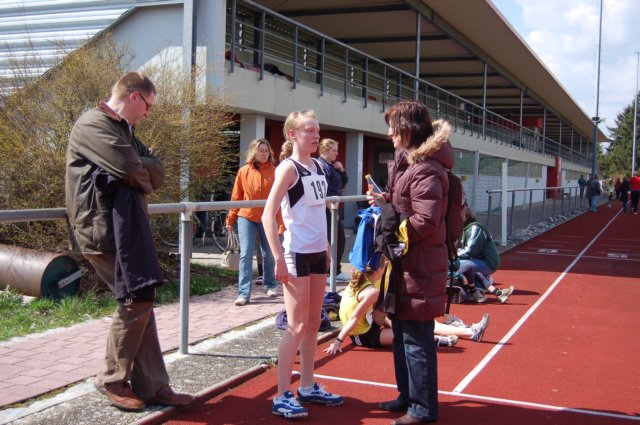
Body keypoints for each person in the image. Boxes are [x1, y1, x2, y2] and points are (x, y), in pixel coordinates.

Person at [65, 72, 193, 411]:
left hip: (125, 231)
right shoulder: (93, 124)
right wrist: (134, 169)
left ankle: (152, 385)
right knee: (137, 299)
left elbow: (157, 172)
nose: (148, 114)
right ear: (134, 96)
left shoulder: (123, 130)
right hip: (101, 231)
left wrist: (136, 168)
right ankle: (112, 378)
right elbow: (128, 166)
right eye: (148, 106)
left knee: (142, 300)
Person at [367, 100, 452, 425]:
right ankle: (408, 397)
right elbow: (409, 204)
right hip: (405, 264)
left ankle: (423, 409)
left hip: (419, 265)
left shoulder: (426, 167)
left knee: (417, 340)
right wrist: (386, 200)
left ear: (409, 130)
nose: (389, 134)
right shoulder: (410, 164)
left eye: (394, 128)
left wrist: (395, 238)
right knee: (402, 335)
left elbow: (426, 219)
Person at [262, 110, 343, 419]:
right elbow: (268, 215)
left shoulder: (318, 166)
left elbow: (317, 210)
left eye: (317, 131)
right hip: (296, 253)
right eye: (310, 130)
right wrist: (277, 258)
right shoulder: (288, 168)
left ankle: (307, 385)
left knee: (312, 323)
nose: (316, 136)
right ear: (293, 134)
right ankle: (281, 394)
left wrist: (327, 246)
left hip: (317, 253)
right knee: (295, 325)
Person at [323, 257, 490, 357]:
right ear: (379, 270)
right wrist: (338, 342)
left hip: (371, 320)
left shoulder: (361, 278)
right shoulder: (371, 291)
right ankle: (439, 340)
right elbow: (353, 318)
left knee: (410, 321)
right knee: (408, 334)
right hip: (363, 336)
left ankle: (469, 331)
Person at [226, 138, 282, 306]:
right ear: (253, 152)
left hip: (268, 217)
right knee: (246, 253)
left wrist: (281, 223)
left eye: (266, 151)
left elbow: (281, 198)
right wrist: (230, 219)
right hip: (247, 216)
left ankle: (270, 284)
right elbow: (236, 197)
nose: (264, 154)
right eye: (261, 151)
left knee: (269, 253)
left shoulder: (276, 171)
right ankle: (244, 293)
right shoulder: (243, 171)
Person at [457, 205, 514, 304]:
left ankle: (473, 292)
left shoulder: (475, 228)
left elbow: (469, 250)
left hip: (488, 263)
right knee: (469, 270)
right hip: (479, 261)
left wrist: (452, 256)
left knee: (462, 265)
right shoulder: (467, 229)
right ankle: (498, 292)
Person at [317, 138, 350, 281]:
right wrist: (329, 206)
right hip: (327, 207)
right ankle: (328, 272)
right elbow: (323, 188)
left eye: (337, 150)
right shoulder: (321, 166)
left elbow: (343, 183)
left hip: (334, 206)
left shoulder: (332, 165)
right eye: (334, 150)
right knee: (331, 240)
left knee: (339, 239)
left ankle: (335, 271)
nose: (337, 153)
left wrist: (341, 170)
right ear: (325, 150)